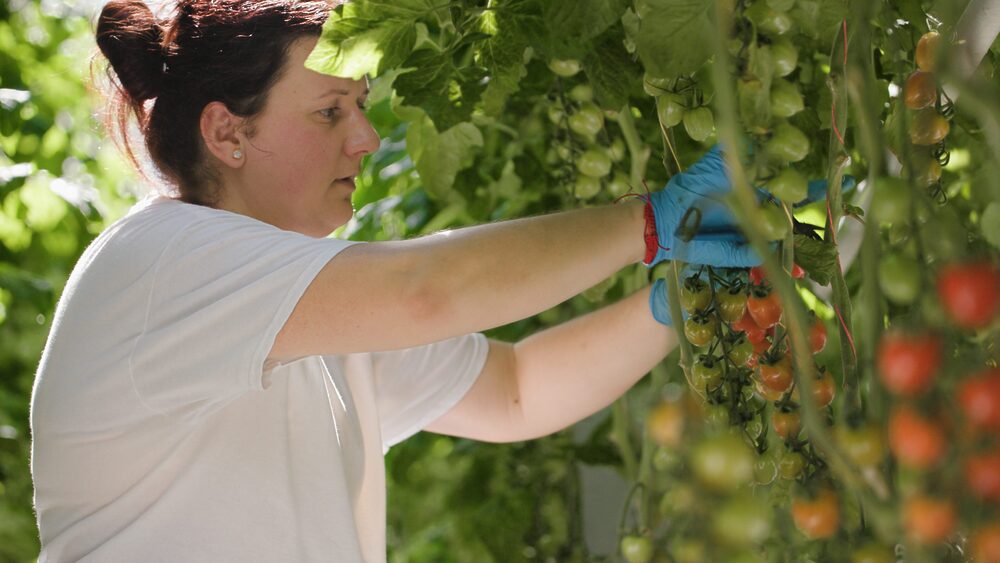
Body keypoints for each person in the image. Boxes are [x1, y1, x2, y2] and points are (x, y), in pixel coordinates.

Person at [29, 1, 832, 561]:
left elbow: (519, 391)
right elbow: (428, 289)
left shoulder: (311, 322)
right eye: (330, 112)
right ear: (227, 132)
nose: (368, 138)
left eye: (361, 106)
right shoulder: (162, 261)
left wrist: (675, 293)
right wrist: (649, 225)